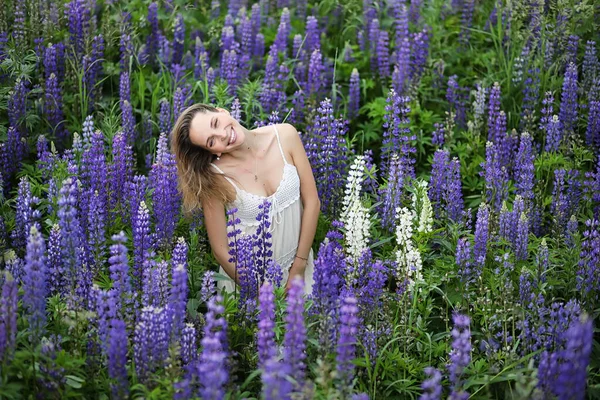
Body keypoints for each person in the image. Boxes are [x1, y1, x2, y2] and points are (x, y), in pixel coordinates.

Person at [171, 103, 320, 294]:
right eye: (211, 141)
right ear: (212, 151)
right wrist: (260, 294)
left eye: (215, 123)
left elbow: (312, 202)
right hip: (249, 286)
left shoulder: (285, 136)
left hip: (299, 271)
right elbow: (220, 249)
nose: (222, 135)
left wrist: (299, 266)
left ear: (222, 111)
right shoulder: (214, 177)